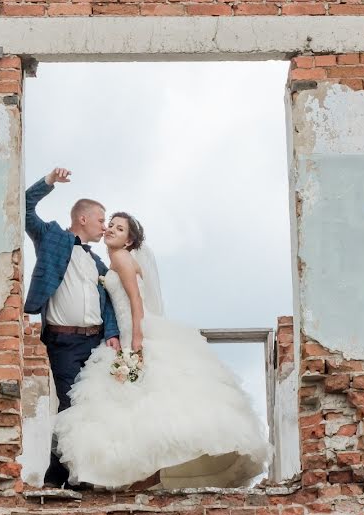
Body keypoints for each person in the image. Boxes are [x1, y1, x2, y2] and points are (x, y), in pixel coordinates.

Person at [53, 210, 270, 489]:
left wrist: (136, 340)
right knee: (138, 405)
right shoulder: (117, 260)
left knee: (138, 403)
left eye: (119, 230)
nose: (111, 231)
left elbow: (135, 302)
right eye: (111, 226)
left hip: (136, 332)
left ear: (129, 241)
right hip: (128, 332)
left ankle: (143, 479)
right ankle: (145, 478)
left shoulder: (120, 259)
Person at [23, 167, 121, 489]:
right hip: (63, 342)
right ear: (83, 219)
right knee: (70, 405)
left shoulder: (98, 264)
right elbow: (23, 207)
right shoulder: (51, 237)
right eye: (101, 219)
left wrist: (112, 335)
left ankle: (81, 474)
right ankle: (58, 476)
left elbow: (108, 304)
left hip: (95, 344)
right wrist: (49, 181)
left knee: (92, 407)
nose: (104, 226)